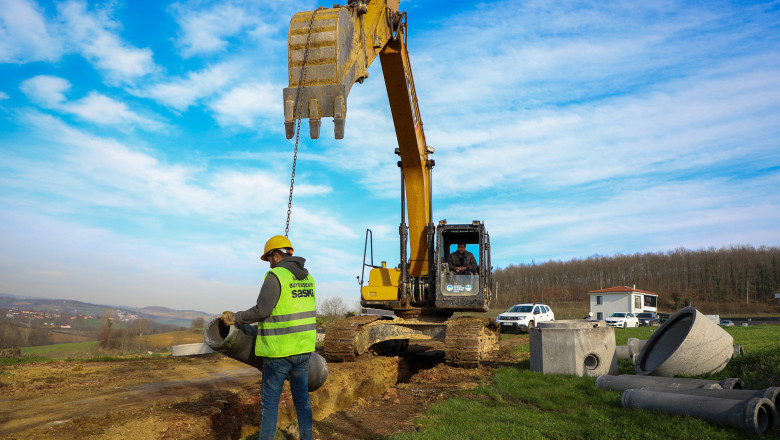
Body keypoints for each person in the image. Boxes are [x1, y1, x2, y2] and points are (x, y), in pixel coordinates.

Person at [220, 235, 316, 440]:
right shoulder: (308, 278)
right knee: (302, 400)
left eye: (269, 259)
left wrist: (236, 318)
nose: (269, 264)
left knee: (270, 403)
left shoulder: (276, 276)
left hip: (278, 351)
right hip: (303, 350)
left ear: (277, 255)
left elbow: (261, 311)